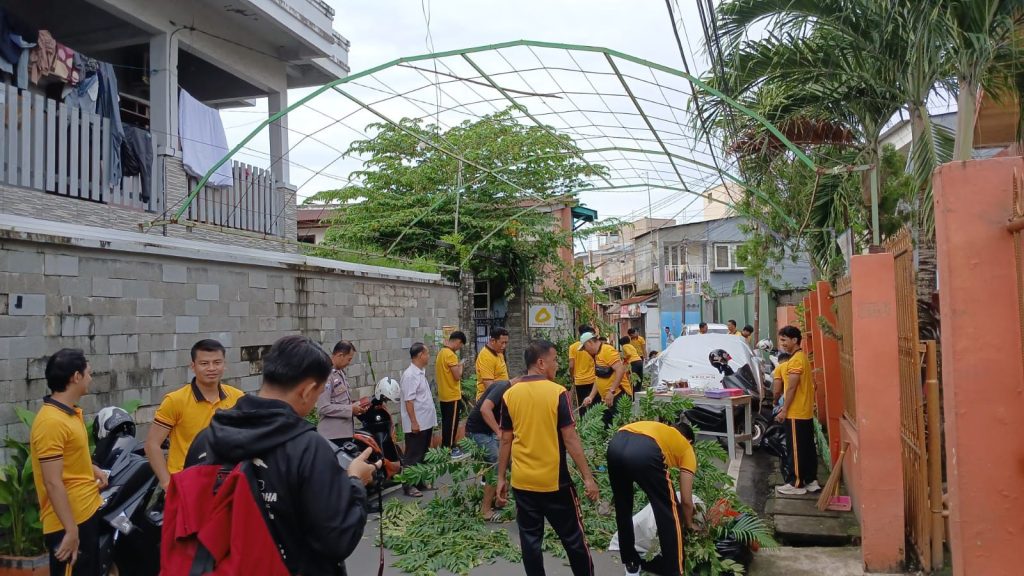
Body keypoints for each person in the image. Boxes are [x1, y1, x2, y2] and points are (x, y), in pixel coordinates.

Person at [184, 335, 377, 576]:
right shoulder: (307, 448)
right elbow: (336, 540)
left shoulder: (207, 439)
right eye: (318, 393)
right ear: (307, 390)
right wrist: (356, 482)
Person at [497, 340, 600, 576]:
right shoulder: (557, 392)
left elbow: (505, 440)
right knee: (573, 539)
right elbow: (570, 439)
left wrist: (501, 477)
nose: (557, 365)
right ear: (541, 363)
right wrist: (588, 477)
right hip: (554, 482)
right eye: (555, 360)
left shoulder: (510, 395)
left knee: (530, 542)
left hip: (522, 482)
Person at [30, 348, 107, 576]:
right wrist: (71, 531)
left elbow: (68, 459)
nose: (90, 378)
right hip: (69, 521)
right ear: (76, 377)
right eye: (88, 373)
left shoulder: (68, 413)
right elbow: (52, 482)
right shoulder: (51, 422)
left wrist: (92, 469)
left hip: (84, 512)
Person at [146, 339, 244, 490]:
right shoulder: (175, 400)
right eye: (204, 363)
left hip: (226, 482)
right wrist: (167, 484)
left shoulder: (237, 397)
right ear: (193, 366)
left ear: (224, 365)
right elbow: (152, 445)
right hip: (186, 483)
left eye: (217, 362)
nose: (212, 368)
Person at [608, 420, 697, 576]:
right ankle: (675, 571)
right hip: (645, 451)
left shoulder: (660, 430)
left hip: (615, 444)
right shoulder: (686, 447)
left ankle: (631, 563)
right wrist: (689, 525)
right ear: (689, 441)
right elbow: (686, 501)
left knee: (623, 506)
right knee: (669, 511)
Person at [775, 326, 821, 495]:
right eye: (781, 340)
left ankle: (796, 484)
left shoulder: (795, 361)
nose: (782, 343)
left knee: (795, 449)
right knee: (807, 448)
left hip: (796, 412)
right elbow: (812, 385)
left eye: (784, 340)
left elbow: (792, 387)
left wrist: (784, 409)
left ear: (795, 340)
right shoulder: (802, 358)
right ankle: (810, 480)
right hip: (805, 412)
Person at [464, 376, 516, 521]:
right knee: (496, 462)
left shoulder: (512, 393)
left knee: (509, 459)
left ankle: (500, 499)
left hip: (489, 431)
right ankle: (485, 510)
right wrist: (498, 432)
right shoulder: (502, 387)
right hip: (478, 431)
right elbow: (485, 409)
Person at [400, 342, 436, 497]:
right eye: (427, 353)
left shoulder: (420, 373)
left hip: (425, 422)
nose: (428, 356)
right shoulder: (410, 375)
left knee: (422, 454)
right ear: (421, 355)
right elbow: (409, 401)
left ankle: (419, 481)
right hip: (417, 423)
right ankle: (408, 485)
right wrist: (414, 422)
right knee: (413, 455)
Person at [316, 340, 366, 447]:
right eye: (349, 359)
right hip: (332, 436)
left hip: (344, 434)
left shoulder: (340, 373)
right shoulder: (326, 375)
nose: (349, 363)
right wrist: (350, 409)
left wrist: (356, 407)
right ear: (340, 355)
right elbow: (323, 407)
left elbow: (342, 403)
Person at [581, 332, 632, 428]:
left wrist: (611, 391)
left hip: (619, 395)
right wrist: (590, 397)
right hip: (607, 398)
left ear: (589, 343)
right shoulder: (597, 355)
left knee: (621, 427)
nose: (585, 350)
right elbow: (598, 378)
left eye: (584, 347)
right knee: (607, 427)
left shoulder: (607, 350)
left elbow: (620, 370)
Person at [436, 331, 469, 460]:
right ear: (458, 342)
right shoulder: (450, 355)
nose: (459, 348)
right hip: (452, 396)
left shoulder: (441, 353)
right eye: (460, 346)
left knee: (447, 423)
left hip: (444, 395)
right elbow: (457, 376)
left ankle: (447, 447)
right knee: (452, 424)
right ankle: (449, 449)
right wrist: (461, 365)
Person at [568, 324, 597, 413]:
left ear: (579, 333)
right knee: (595, 405)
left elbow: (571, 366)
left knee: (582, 406)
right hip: (593, 379)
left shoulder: (573, 347)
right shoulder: (593, 346)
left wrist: (572, 377)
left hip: (580, 381)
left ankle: (584, 421)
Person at [475, 327, 510, 399]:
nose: (504, 346)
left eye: (506, 343)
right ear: (492, 341)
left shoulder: (499, 351)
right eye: (502, 343)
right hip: (490, 400)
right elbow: (489, 387)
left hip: (500, 397)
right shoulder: (486, 357)